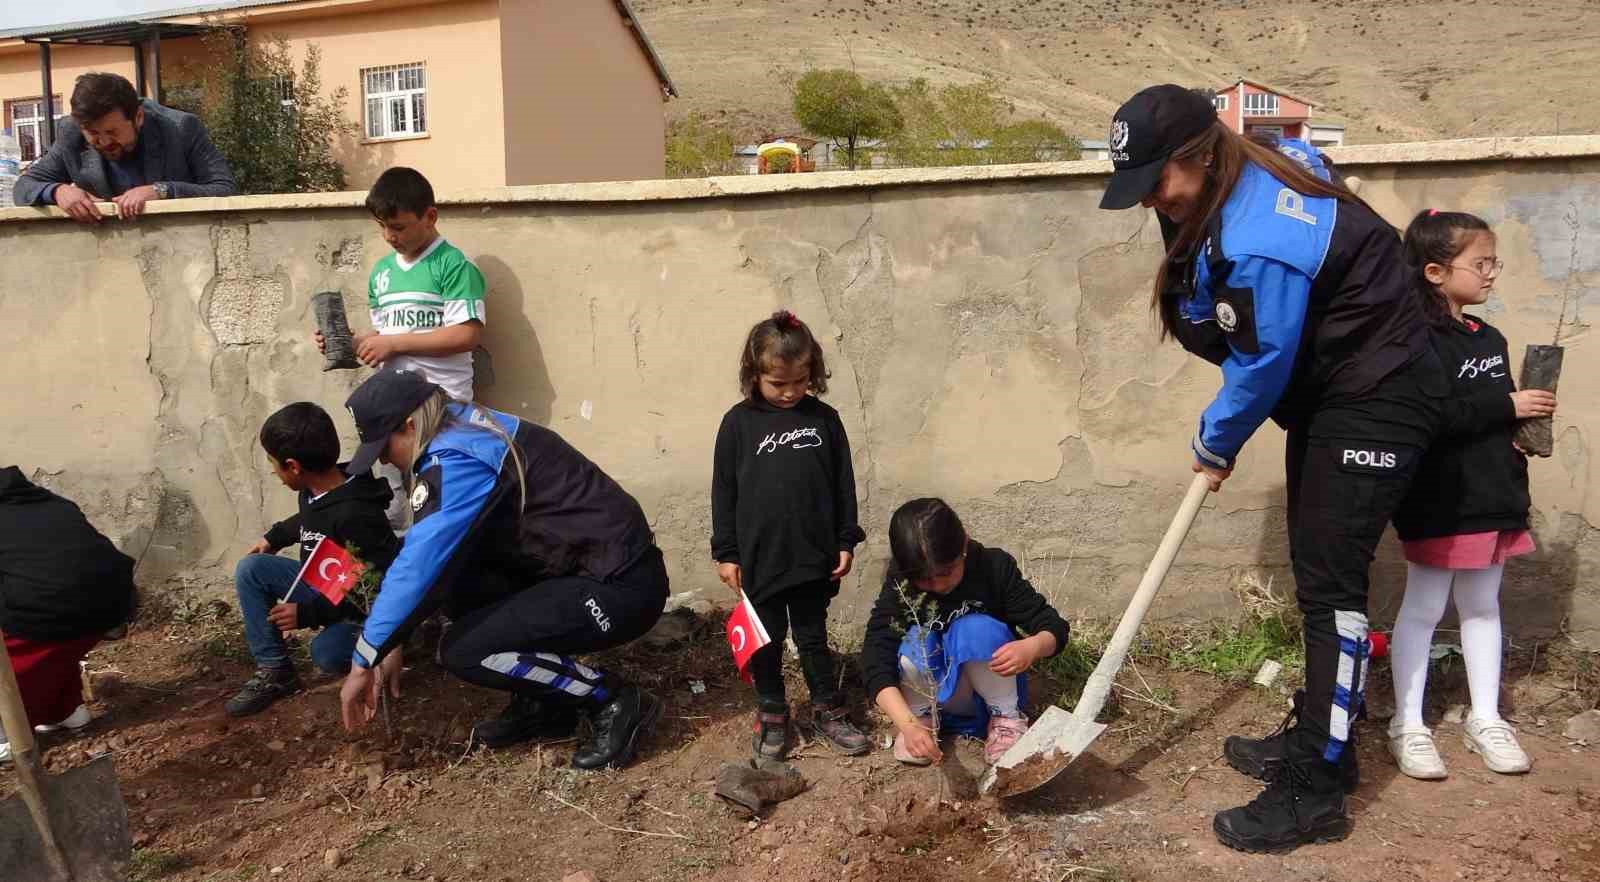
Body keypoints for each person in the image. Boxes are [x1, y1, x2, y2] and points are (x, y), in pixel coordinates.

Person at [1096, 84, 1557, 852]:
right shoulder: (1261, 172)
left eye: (1158, 182)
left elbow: (1264, 360)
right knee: (1320, 580)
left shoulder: (1258, 235)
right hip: (1341, 390)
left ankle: (1315, 791)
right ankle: (1321, 740)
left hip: (1380, 397)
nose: (1151, 200)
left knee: (1333, 590)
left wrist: (1216, 442)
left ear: (1202, 156)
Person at [336, 369, 668, 770]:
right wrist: (390, 639)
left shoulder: (454, 458)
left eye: (384, 446)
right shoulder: (460, 424)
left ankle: (610, 699)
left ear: (409, 424)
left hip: (619, 587)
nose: (385, 459)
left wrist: (365, 655)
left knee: (465, 650)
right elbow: (433, 559)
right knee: (461, 586)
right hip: (583, 569)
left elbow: (419, 565)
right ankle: (545, 702)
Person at [1388, 210, 1540, 778]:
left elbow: (1486, 413)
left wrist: (1519, 433)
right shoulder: (1414, 339)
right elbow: (1427, 416)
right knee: (1424, 608)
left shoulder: (1490, 337)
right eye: (1481, 263)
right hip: (1440, 497)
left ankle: (1486, 716)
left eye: (1493, 262)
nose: (1491, 274)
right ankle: (1407, 723)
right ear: (1433, 270)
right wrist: (1507, 408)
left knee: (1482, 607)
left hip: (1494, 492)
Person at [711, 310, 870, 761]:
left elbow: (843, 484)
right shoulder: (738, 425)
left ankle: (826, 709)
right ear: (753, 374)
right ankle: (773, 711)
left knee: (812, 635)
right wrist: (727, 552)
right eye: (777, 383)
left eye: (799, 382)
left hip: (813, 554)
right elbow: (724, 491)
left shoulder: (825, 420)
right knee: (768, 637)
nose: (789, 392)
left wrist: (845, 539)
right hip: (761, 557)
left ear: (812, 374)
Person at [860, 499, 1071, 766]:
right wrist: (908, 723)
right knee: (916, 640)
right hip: (929, 700)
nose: (937, 585)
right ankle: (922, 724)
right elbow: (874, 656)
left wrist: (1032, 646)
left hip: (985, 693)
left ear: (964, 546)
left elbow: (1054, 627)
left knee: (976, 629)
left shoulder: (993, 567)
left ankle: (1006, 721)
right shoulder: (902, 585)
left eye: (946, 572)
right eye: (924, 579)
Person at [225, 403, 402, 717]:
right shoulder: (320, 489)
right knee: (252, 570)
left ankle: (394, 650)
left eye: (272, 463)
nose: (272, 470)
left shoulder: (355, 515)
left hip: (363, 610)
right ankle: (275, 670)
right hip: (326, 584)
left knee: (326, 653)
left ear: (293, 466)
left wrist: (308, 613)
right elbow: (311, 516)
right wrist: (276, 536)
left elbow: (372, 589)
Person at [0, 467, 137, 763]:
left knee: (22, 647)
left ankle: (8, 732)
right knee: (52, 644)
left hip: (56, 611)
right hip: (111, 604)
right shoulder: (51, 501)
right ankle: (65, 709)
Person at [315, 167, 486, 403]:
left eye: (398, 227)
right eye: (381, 225)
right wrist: (351, 343)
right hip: (394, 404)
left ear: (430, 217)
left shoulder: (453, 264)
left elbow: (466, 335)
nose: (388, 236)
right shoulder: (381, 271)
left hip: (442, 403)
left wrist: (394, 344)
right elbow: (385, 334)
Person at [13, 72, 237, 224]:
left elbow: (224, 189)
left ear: (138, 117)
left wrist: (162, 191)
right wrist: (58, 191)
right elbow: (24, 187)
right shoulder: (71, 133)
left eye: (112, 132)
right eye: (93, 133)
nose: (103, 142)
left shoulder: (181, 128)